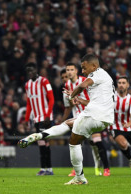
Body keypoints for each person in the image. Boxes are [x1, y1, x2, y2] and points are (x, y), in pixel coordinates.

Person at [19, 54, 114, 185]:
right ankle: (38, 135)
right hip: (103, 117)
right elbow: (94, 102)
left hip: (95, 115)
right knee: (68, 124)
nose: (83, 71)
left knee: (74, 141)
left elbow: (82, 86)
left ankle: (80, 177)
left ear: (94, 66)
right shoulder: (104, 78)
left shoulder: (97, 73)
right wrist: (79, 99)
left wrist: (73, 94)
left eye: (84, 68)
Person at [63, 62, 110, 177]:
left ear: (76, 71)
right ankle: (76, 170)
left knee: (97, 142)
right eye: (67, 70)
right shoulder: (67, 85)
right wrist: (63, 120)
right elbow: (69, 105)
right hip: (78, 118)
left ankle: (106, 168)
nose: (69, 72)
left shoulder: (85, 81)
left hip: (91, 115)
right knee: (76, 143)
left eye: (71, 69)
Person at [24, 62, 55, 175]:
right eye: (28, 71)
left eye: (31, 70)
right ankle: (47, 169)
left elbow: (51, 99)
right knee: (42, 144)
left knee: (43, 143)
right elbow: (29, 104)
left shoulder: (44, 81)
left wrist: (48, 114)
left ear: (36, 70)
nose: (30, 73)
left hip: (45, 117)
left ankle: (46, 169)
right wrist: (26, 119)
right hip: (36, 118)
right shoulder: (27, 85)